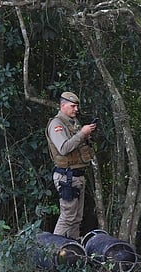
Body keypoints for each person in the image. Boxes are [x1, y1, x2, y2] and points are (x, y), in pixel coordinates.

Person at [45, 91, 97, 240]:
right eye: (72, 106)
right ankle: (52, 252)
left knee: (76, 218)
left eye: (77, 106)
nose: (76, 109)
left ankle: (73, 254)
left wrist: (85, 134)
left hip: (77, 176)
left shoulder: (72, 123)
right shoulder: (57, 124)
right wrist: (82, 133)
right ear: (63, 106)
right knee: (67, 217)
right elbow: (63, 148)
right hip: (66, 176)